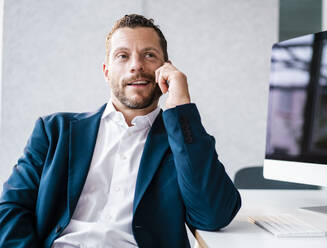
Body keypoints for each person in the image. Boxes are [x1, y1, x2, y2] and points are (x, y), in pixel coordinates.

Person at [0, 14, 241, 248]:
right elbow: (10, 208)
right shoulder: (54, 131)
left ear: (165, 69)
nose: (136, 66)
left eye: (149, 55)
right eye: (122, 56)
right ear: (106, 72)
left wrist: (182, 107)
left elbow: (213, 215)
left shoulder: (182, 140)